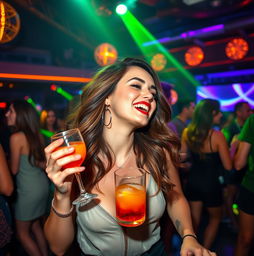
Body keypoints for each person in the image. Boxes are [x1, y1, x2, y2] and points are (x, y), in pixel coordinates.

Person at [44, 58, 216, 256]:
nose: (149, 96)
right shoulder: (78, 159)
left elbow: (175, 199)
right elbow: (58, 248)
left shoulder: (159, 153)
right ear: (107, 97)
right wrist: (61, 195)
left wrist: (189, 236)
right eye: (136, 85)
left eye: (153, 92)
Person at [181, 99, 232, 249]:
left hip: (193, 181)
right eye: (218, 112)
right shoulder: (217, 136)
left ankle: (193, 249)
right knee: (215, 218)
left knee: (194, 221)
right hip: (211, 184)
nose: (221, 115)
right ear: (211, 114)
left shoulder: (187, 132)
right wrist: (234, 150)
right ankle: (205, 250)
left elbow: (182, 157)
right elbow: (228, 166)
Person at [5, 100, 50, 256]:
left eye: (10, 111)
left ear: (21, 115)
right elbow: (38, 161)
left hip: (28, 191)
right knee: (36, 225)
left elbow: (14, 170)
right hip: (42, 186)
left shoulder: (16, 137)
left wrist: (4, 161)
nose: (6, 114)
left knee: (22, 234)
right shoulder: (36, 134)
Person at [221, 101, 252, 231]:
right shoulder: (228, 129)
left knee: (239, 196)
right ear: (238, 112)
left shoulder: (247, 126)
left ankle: (239, 220)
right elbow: (224, 151)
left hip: (243, 170)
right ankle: (232, 221)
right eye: (247, 110)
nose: (250, 112)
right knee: (230, 195)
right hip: (231, 169)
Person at [233, 113, 254, 256]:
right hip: (252, 187)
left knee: (245, 240)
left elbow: (239, 163)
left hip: (252, 188)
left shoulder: (253, 120)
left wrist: (235, 146)